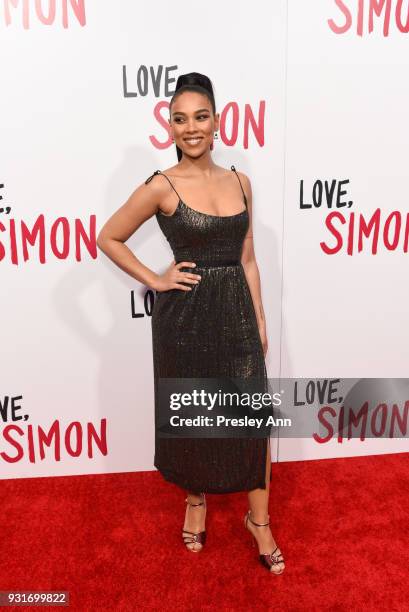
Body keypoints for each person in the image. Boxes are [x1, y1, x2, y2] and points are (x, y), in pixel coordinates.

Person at [96, 72, 285, 574]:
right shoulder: (161, 186)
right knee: (196, 415)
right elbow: (108, 237)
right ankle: (195, 501)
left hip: (237, 313)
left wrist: (260, 320)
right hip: (186, 320)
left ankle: (258, 521)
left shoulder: (241, 182)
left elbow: (247, 258)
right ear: (171, 127)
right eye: (180, 119)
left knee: (251, 422)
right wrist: (156, 280)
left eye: (200, 117)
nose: (191, 128)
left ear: (217, 121)